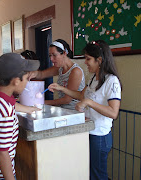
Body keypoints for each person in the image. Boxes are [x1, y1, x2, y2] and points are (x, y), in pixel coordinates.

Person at [48, 40, 122, 180]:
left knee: (98, 175)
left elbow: (113, 112)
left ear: (99, 60)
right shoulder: (94, 78)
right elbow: (81, 95)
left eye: (88, 59)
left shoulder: (112, 81)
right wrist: (61, 88)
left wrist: (89, 102)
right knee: (88, 172)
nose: (85, 62)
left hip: (100, 136)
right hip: (88, 131)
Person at [0, 53, 40, 179]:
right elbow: (2, 153)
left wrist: (28, 109)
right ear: (16, 81)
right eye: (27, 78)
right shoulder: (4, 116)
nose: (27, 83)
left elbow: (9, 104)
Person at [31, 39, 85, 110]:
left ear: (64, 53)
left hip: (74, 111)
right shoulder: (59, 68)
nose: (51, 59)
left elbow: (67, 100)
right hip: (63, 110)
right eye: (50, 55)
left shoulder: (75, 71)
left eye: (54, 55)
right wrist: (33, 74)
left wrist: (42, 102)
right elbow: (41, 74)